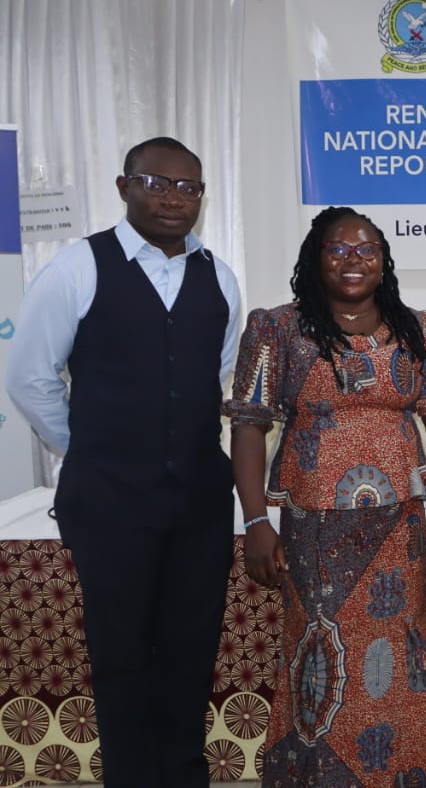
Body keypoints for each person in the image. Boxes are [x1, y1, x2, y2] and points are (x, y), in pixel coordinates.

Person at [4, 137, 240, 786]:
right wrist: (90, 448)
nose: (173, 198)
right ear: (124, 186)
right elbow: (30, 378)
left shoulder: (219, 276)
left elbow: (215, 377)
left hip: (198, 502)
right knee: (121, 656)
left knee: (191, 653)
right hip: (108, 502)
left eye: (188, 187)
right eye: (156, 182)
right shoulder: (78, 266)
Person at [224, 207, 426, 785]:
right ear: (316, 257)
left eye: (367, 250)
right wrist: (256, 521)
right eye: (339, 249)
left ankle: (403, 773)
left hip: (398, 525)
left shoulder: (420, 328)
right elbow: (249, 424)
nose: (354, 260)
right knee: (319, 648)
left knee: (399, 650)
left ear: (384, 261)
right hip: (314, 526)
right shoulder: (277, 329)